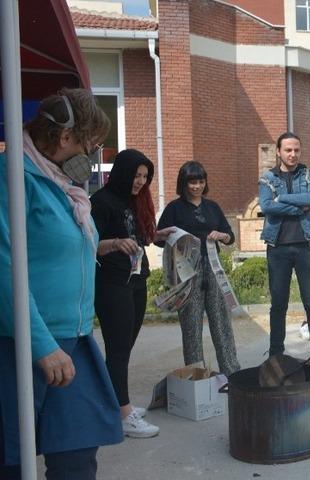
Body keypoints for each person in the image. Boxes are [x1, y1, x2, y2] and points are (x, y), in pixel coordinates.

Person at [0, 88, 123, 478]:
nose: (93, 157)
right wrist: (41, 345)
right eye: (92, 145)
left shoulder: (61, 184)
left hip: (75, 339)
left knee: (77, 457)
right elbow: (3, 267)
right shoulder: (12, 178)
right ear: (65, 138)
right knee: (13, 462)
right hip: (22, 345)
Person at [91, 149, 174, 438]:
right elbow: (87, 245)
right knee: (117, 349)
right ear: (122, 172)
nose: (140, 182)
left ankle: (113, 404)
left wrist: (158, 236)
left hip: (137, 280)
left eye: (144, 177)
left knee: (124, 347)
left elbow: (137, 238)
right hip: (111, 284)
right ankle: (123, 413)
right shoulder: (100, 202)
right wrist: (114, 243)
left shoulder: (134, 201)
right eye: (136, 175)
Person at [157, 161, 241, 376]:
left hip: (213, 268)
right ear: (183, 183)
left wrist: (221, 235)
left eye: (200, 181)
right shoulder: (174, 208)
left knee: (221, 321)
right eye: (192, 182)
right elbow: (158, 239)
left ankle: (231, 373)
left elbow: (230, 236)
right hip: (186, 273)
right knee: (192, 327)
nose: (196, 186)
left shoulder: (212, 207)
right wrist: (173, 236)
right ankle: (196, 376)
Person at [259, 133, 310, 371]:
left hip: (306, 246)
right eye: (288, 150)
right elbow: (267, 206)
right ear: (278, 151)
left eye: (296, 150)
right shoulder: (267, 178)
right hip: (278, 248)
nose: (293, 154)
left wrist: (282, 198)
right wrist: (296, 207)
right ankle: (275, 355)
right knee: (278, 304)